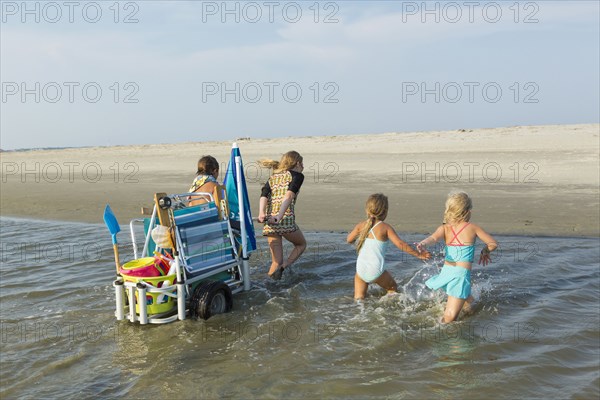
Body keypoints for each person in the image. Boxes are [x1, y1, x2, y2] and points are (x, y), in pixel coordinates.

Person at [417, 191, 498, 323]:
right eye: (470, 209)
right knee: (449, 318)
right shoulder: (472, 227)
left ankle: (468, 318)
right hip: (460, 275)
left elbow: (433, 238)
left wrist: (423, 244)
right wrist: (485, 252)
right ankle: (440, 335)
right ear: (466, 211)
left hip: (446, 272)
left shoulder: (445, 228)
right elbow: (493, 244)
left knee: (470, 303)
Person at [347, 193, 430, 300]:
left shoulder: (360, 226)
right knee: (393, 288)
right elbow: (401, 244)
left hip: (360, 270)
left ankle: (360, 314)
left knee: (359, 299)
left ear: (367, 210)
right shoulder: (385, 228)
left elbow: (349, 240)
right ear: (385, 212)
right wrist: (419, 255)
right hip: (375, 271)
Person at [257, 151, 307, 280]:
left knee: (275, 261)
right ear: (298, 163)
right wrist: (279, 216)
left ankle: (270, 287)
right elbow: (289, 195)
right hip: (284, 219)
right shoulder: (297, 176)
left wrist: (262, 213)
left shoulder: (273, 177)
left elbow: (264, 196)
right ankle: (284, 266)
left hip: (269, 221)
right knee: (301, 245)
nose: (303, 167)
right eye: (302, 164)